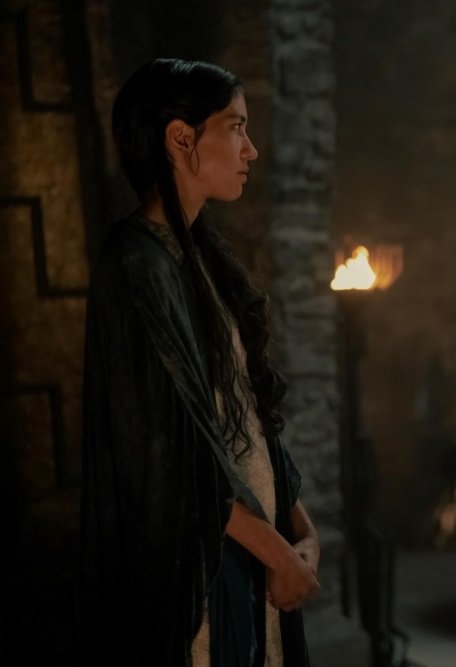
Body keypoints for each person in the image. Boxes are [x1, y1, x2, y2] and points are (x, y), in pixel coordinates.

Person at [80, 59, 320, 666]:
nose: (251, 149)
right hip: (202, 570)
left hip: (254, 551)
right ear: (180, 138)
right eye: (235, 127)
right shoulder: (135, 267)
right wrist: (276, 550)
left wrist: (300, 531)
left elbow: (245, 413)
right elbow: (167, 454)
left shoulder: (199, 255)